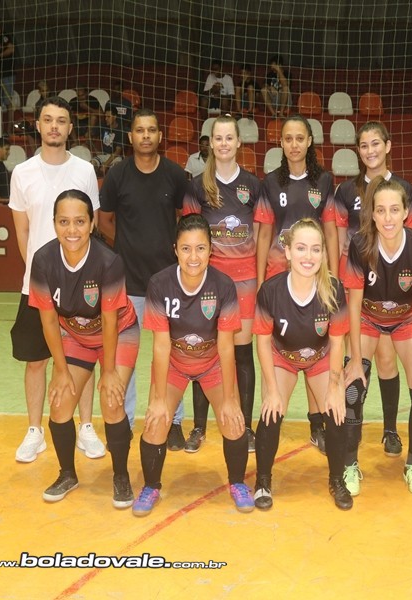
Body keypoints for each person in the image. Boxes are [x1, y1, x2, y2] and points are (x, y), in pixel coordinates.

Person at [134, 214, 253, 515]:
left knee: (233, 419)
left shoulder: (223, 286)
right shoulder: (159, 284)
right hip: (175, 362)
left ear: (211, 250)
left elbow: (226, 346)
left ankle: (237, 483)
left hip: (212, 363)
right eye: (186, 249)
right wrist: (158, 399)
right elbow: (161, 345)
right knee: (156, 420)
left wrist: (230, 399)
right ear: (175, 250)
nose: (193, 257)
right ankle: (151, 487)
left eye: (200, 248)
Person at [9, 96, 105, 463]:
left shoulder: (84, 170)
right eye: (47, 119)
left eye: (61, 120)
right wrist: (40, 277)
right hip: (37, 288)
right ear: (38, 125)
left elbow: (91, 226)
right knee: (36, 361)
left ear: (69, 127)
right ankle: (34, 431)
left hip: (81, 287)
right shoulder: (22, 173)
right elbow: (22, 232)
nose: (54, 126)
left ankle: (86, 426)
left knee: (84, 358)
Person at [30, 190, 139, 506]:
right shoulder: (43, 261)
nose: (72, 229)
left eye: (79, 221)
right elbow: (49, 321)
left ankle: (120, 476)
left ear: (92, 223)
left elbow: (110, 321)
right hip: (76, 335)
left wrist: (109, 371)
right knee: (60, 403)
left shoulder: (108, 261)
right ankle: (67, 474)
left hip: (118, 332)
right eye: (63, 222)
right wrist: (61, 370)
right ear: (54, 224)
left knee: (112, 400)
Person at [98, 108, 189, 448]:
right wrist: (125, 246)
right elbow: (104, 221)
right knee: (127, 358)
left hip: (169, 283)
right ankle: (123, 421)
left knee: (174, 355)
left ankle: (173, 421)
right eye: (140, 130)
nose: (146, 135)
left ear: (160, 136)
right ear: (131, 136)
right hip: (130, 282)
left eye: (152, 130)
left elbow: (184, 218)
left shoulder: (175, 175)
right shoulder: (118, 175)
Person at [334, 121, 412, 467]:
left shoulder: (404, 189)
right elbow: (339, 239)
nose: (370, 150)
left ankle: (390, 429)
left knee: (387, 361)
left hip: (395, 291)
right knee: (357, 366)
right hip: (360, 289)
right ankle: (349, 446)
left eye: (375, 144)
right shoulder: (346, 190)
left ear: (388, 146)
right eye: (363, 145)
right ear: (358, 151)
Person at [343, 177, 412, 496]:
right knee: (352, 388)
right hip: (368, 318)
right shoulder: (360, 246)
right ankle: (350, 464)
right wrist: (355, 360)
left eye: (394, 210)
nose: (387, 218)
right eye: (380, 210)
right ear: (372, 214)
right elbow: (353, 306)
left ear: (406, 212)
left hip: (407, 320)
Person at [253, 218, 351, 510]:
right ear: (287, 251)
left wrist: (334, 387)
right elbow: (262, 342)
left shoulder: (333, 289)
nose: (308, 256)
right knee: (271, 410)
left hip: (320, 357)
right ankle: (262, 481)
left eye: (315, 249)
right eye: (301, 248)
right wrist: (272, 389)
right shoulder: (270, 290)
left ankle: (337, 479)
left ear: (323, 254)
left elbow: (337, 342)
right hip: (282, 356)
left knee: (336, 410)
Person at [255, 115, 339, 454]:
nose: (294, 144)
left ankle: (317, 425)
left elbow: (330, 231)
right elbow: (264, 234)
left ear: (309, 142)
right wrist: (260, 280)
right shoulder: (270, 182)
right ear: (281, 143)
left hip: (314, 277)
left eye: (299, 138)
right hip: (280, 279)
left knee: (315, 346)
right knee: (280, 348)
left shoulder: (324, 180)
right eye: (288, 138)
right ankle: (270, 419)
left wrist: (332, 278)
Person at [182, 116, 261, 454]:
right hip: (209, 281)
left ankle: (246, 426)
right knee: (205, 352)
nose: (224, 143)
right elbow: (190, 233)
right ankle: (199, 427)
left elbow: (261, 232)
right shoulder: (198, 186)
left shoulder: (253, 185)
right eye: (218, 138)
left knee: (242, 353)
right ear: (210, 143)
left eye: (230, 137)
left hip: (244, 281)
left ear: (239, 142)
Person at [92, 106, 128, 175]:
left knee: (115, 169)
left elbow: (117, 152)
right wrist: (96, 150)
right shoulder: (103, 126)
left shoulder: (121, 130)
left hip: (115, 158)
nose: (106, 119)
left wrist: (105, 164)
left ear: (115, 117)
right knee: (91, 164)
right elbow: (89, 136)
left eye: (108, 117)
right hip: (104, 155)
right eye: (105, 116)